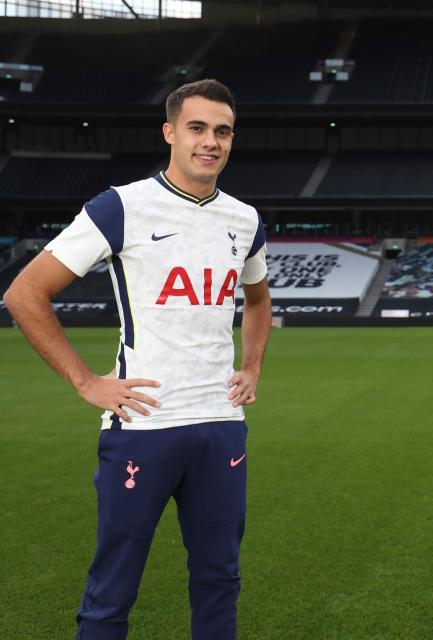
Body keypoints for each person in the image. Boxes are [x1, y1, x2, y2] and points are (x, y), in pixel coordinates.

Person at [3, 79, 272, 639]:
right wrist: (84, 381)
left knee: (220, 580)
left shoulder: (245, 219)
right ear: (170, 132)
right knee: (114, 589)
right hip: (143, 424)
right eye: (197, 128)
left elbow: (258, 297)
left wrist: (251, 369)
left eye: (222, 131)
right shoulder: (120, 206)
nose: (211, 142)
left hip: (221, 424)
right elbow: (24, 294)